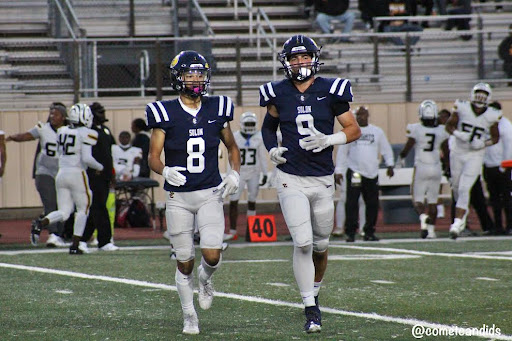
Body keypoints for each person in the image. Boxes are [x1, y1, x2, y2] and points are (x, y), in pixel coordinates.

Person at [259, 35, 361, 333]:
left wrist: (330, 139)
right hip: (291, 177)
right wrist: (272, 148)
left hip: (322, 178)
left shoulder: (332, 90)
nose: (300, 62)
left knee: (321, 244)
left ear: (314, 58)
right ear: (286, 62)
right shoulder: (277, 93)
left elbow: (353, 129)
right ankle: (310, 307)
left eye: (304, 57)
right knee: (302, 242)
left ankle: (314, 290)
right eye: (294, 58)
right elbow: (269, 126)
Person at [146, 50, 241, 335]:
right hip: (178, 197)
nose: (197, 79)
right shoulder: (165, 111)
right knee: (184, 260)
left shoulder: (218, 107)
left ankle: (207, 279)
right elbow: (153, 156)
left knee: (211, 256)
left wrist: (234, 171)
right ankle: (189, 315)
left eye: (200, 74)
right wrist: (164, 171)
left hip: (211, 191)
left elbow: (232, 147)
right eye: (190, 74)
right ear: (178, 78)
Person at [31, 103, 104, 254]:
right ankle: (75, 245)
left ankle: (41, 222)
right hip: (77, 173)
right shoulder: (87, 132)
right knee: (83, 209)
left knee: (64, 211)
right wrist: (100, 167)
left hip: (61, 173)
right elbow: (87, 158)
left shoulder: (62, 130)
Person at [6, 102, 68, 247]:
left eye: (56, 114)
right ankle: (53, 235)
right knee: (50, 204)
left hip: (63, 173)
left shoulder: (70, 130)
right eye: (51, 113)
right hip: (45, 172)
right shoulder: (43, 128)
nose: (52, 116)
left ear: (64, 117)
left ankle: (56, 233)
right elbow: (26, 136)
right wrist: (12, 137)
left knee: (63, 206)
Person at [444, 82, 501, 239]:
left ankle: (456, 223)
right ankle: (461, 217)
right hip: (458, 151)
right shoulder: (461, 107)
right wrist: (459, 134)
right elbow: (449, 126)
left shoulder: (492, 114)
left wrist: (483, 143)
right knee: (456, 187)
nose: (480, 96)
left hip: (475, 154)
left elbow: (495, 137)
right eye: (478, 92)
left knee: (464, 188)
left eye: (484, 93)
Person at [337, 106, 394, 243]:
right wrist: (339, 170)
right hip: (355, 172)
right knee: (352, 203)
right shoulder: (351, 131)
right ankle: (350, 232)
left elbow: (385, 148)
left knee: (372, 203)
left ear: (368, 115)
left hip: (372, 173)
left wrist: (390, 164)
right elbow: (342, 152)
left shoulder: (377, 131)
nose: (361, 116)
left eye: (363, 114)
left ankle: (369, 231)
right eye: (358, 114)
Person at [398, 100, 449, 238]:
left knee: (417, 199)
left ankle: (422, 217)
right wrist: (448, 168)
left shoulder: (416, 128)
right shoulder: (441, 130)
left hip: (421, 166)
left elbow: (408, 146)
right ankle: (430, 230)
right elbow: (446, 151)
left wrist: (401, 157)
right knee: (433, 200)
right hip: (436, 167)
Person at [80, 102, 118, 252]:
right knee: (98, 206)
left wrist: (112, 174)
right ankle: (104, 240)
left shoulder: (105, 130)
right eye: (100, 112)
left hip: (105, 175)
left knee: (97, 207)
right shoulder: (88, 131)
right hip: (94, 175)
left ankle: (82, 238)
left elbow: (110, 153)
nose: (103, 114)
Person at [226, 111, 269, 241]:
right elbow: (230, 156)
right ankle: (233, 231)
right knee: (233, 201)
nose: (250, 125)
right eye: (248, 123)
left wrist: (265, 172)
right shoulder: (236, 136)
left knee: (252, 201)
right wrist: (231, 173)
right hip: (239, 172)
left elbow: (262, 156)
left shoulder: (259, 137)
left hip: (254, 172)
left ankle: (251, 231)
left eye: (252, 123)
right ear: (242, 124)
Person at [483, 101, 512, 235]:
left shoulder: (506, 125)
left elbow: (509, 147)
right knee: (494, 199)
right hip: (489, 166)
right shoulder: (485, 124)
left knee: (506, 198)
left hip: (503, 167)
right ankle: (498, 226)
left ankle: (510, 225)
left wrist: (505, 165)